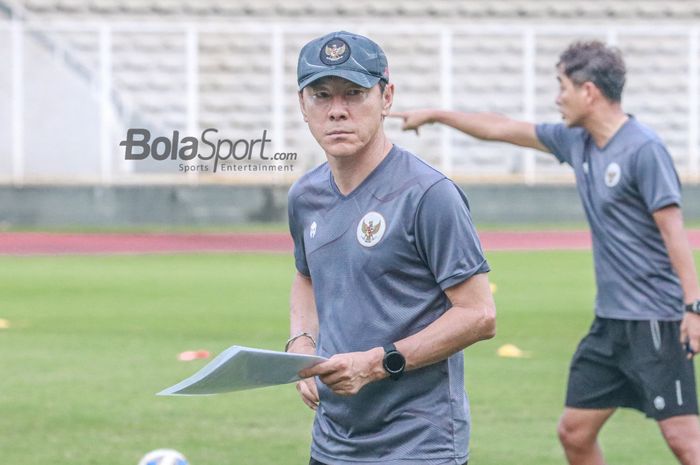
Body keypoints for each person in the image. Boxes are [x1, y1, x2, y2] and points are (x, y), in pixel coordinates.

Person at [392, 40, 700, 465]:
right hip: (610, 323)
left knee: (687, 444)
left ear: (588, 91)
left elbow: (674, 233)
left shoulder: (644, 149)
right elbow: (502, 127)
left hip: (655, 320)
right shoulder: (577, 142)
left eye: (562, 86)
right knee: (574, 433)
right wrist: (438, 114)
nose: (557, 98)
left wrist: (693, 308)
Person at [285, 31, 496, 465]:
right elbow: (306, 276)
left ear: (387, 97)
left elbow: (479, 315)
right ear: (302, 105)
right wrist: (301, 344)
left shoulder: (429, 194)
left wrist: (376, 364)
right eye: (321, 95)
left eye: (355, 93)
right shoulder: (304, 196)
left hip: (419, 445)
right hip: (332, 442)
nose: (338, 110)